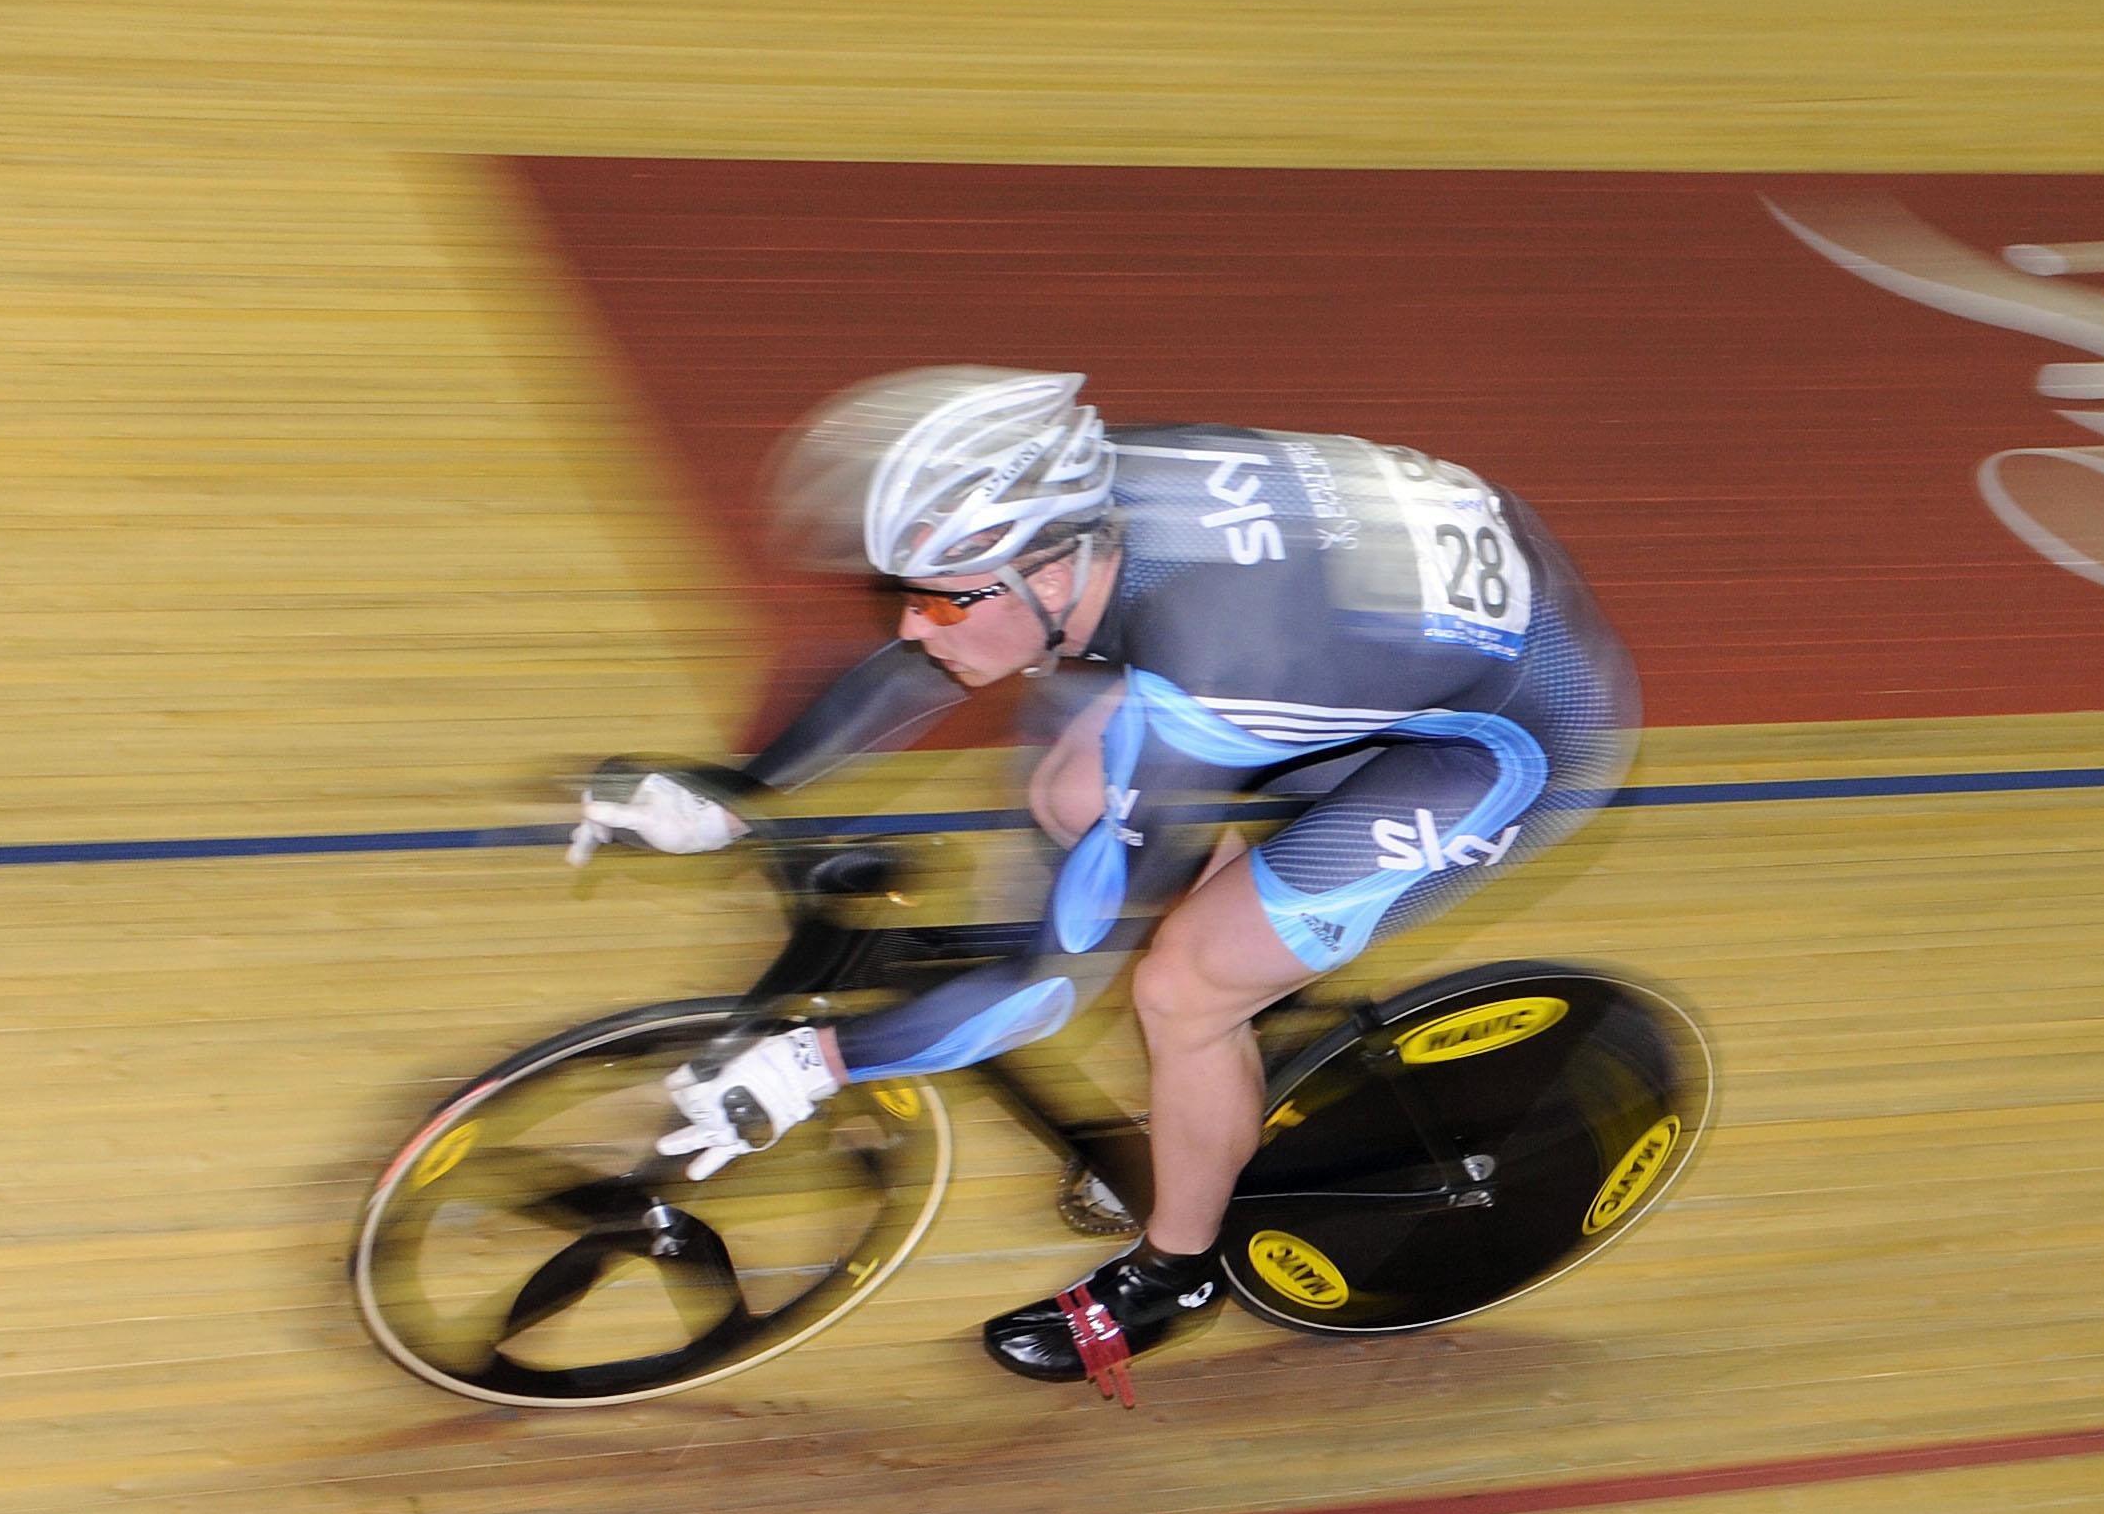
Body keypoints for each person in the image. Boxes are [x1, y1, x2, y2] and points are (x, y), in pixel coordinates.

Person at [569, 368, 1636, 1395]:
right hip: (1374, 640)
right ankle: (1243, 1038)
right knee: (1076, 788)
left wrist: (816, 1064)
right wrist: (736, 788)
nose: (908, 623)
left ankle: (1171, 1274)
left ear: (1046, 574)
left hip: (1502, 741)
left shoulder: (1218, 665)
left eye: (938, 602)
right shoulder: (1078, 495)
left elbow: (1044, 991)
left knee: (1177, 987)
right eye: (905, 593)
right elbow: (942, 652)